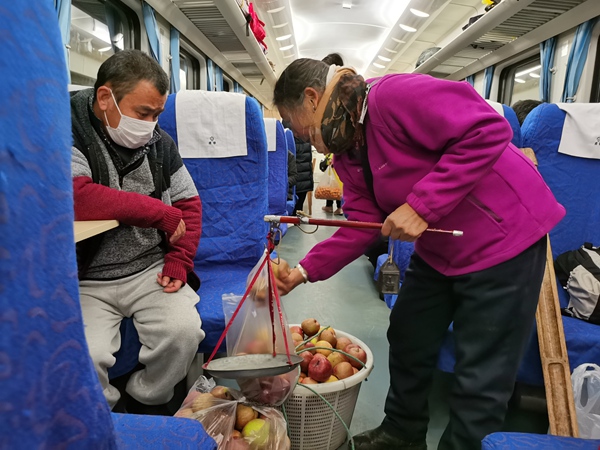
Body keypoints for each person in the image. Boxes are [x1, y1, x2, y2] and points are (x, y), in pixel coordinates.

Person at [273, 59, 565, 450]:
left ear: (312, 98)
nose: (305, 139)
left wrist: (421, 206)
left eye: (299, 128)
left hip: (503, 239)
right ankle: (402, 431)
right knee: (409, 332)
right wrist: (304, 271)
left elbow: (486, 129)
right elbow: (363, 222)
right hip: (441, 248)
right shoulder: (347, 148)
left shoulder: (393, 96)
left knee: (481, 372)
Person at [71, 50, 204, 414]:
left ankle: (145, 399)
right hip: (85, 278)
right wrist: (155, 211)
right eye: (143, 113)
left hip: (149, 271)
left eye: (157, 114)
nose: (151, 124)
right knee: (86, 356)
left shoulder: (159, 143)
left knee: (184, 333)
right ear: (105, 98)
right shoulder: (68, 129)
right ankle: (105, 417)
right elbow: (74, 194)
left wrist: (179, 259)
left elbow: (189, 204)